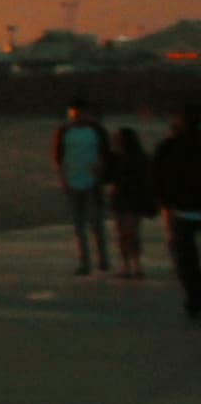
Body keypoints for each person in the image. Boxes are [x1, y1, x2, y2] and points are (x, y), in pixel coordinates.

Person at [158, 103, 201, 321]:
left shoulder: (169, 146)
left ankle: (194, 298)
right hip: (183, 207)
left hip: (181, 209)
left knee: (185, 260)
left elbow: (158, 177)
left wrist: (164, 201)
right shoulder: (169, 146)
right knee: (185, 258)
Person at [55, 102, 109, 273]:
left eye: (79, 114)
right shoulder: (64, 132)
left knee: (96, 223)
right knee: (78, 226)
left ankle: (103, 259)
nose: (76, 118)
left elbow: (105, 153)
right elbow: (59, 157)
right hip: (72, 181)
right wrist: (63, 178)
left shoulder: (97, 131)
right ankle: (85, 262)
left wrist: (100, 172)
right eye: (73, 115)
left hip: (92, 182)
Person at [108, 124, 153, 278]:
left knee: (130, 232)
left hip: (135, 199)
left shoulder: (140, 158)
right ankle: (127, 265)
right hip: (120, 199)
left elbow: (147, 179)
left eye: (118, 139)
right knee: (122, 233)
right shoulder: (114, 158)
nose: (115, 141)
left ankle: (136, 264)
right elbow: (107, 178)